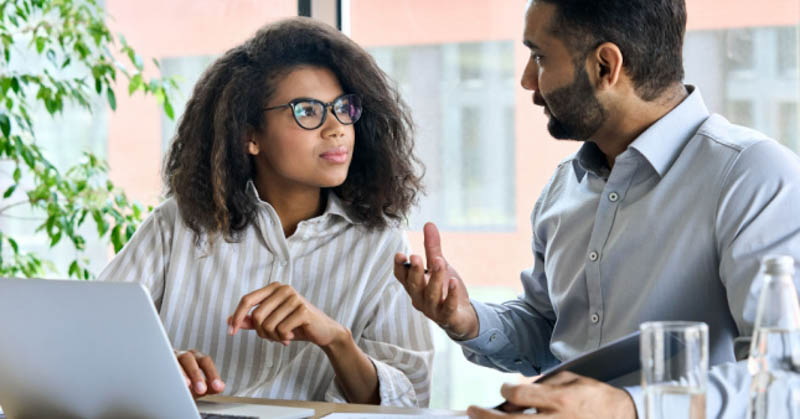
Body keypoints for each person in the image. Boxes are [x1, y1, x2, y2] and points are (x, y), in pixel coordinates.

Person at [394, 0, 800, 417]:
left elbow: (788, 378)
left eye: (539, 56)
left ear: (606, 66)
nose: (527, 80)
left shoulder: (755, 177)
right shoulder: (564, 187)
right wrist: (468, 320)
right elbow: (547, 333)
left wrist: (627, 407)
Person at [98, 17, 433, 407]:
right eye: (308, 110)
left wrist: (336, 340)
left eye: (343, 108)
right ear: (249, 136)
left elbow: (410, 401)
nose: (336, 128)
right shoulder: (179, 224)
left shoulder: (381, 244)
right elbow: (89, 338)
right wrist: (157, 365)